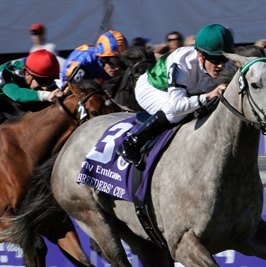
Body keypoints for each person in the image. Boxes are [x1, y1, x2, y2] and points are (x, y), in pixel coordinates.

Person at [117, 23, 234, 167]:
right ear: (200, 55)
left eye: (224, 59)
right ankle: (132, 143)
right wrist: (209, 96)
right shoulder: (181, 62)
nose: (221, 66)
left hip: (185, 92)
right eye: (215, 59)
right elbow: (177, 106)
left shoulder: (226, 64)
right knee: (177, 113)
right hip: (152, 89)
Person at [0, 49, 62, 122]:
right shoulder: (5, 74)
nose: (45, 87)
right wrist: (46, 95)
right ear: (27, 73)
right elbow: (17, 94)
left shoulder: (32, 68)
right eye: (42, 81)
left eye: (50, 81)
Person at [60, 30, 128, 84]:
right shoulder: (85, 61)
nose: (117, 68)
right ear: (103, 59)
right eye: (113, 63)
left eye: (120, 63)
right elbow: (68, 86)